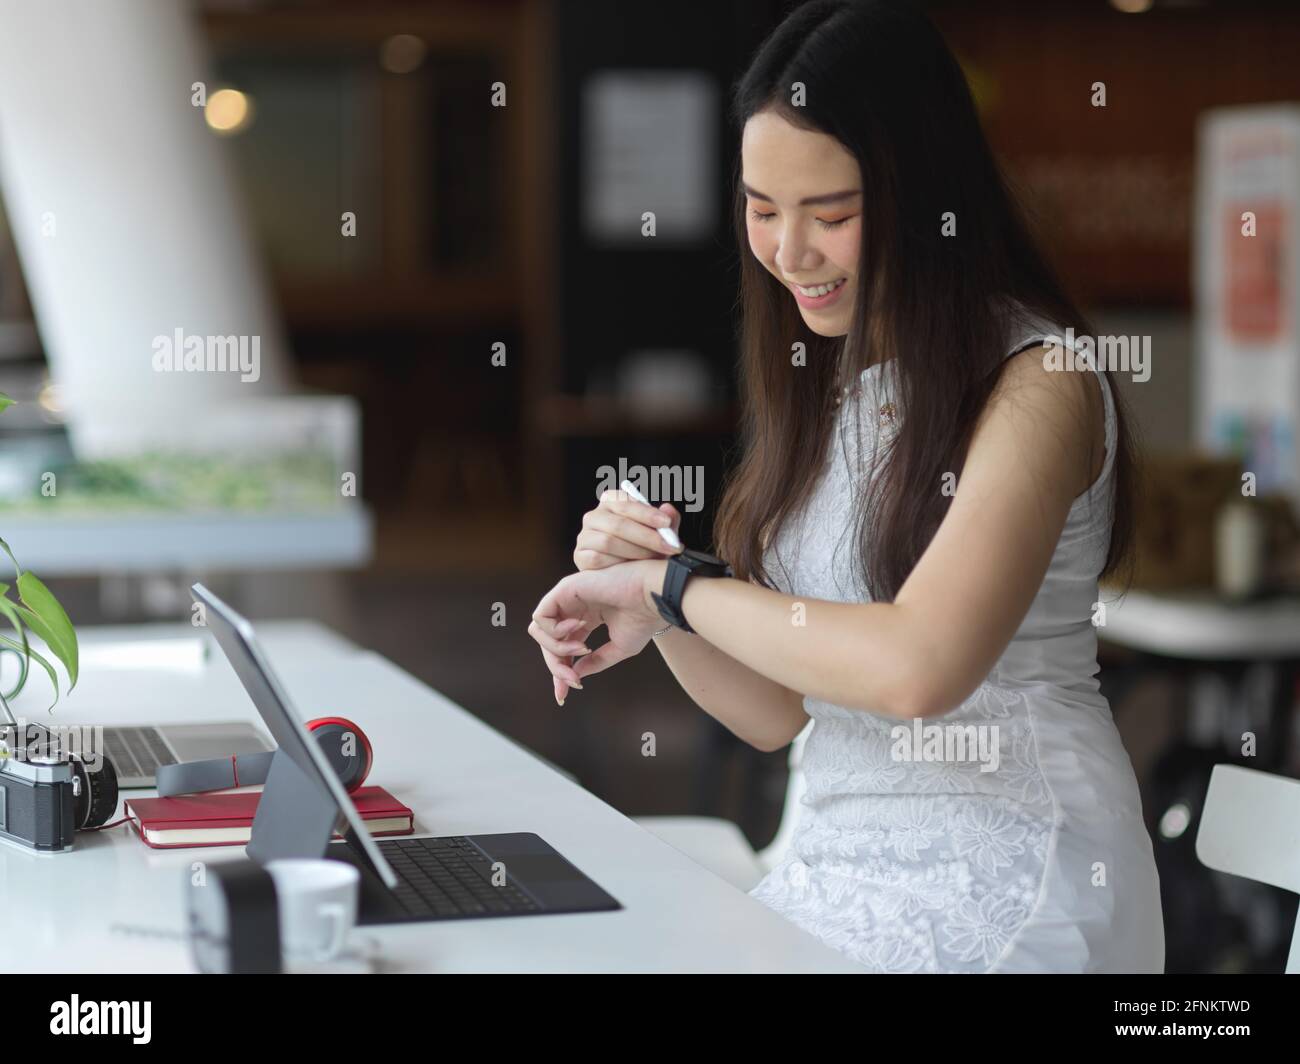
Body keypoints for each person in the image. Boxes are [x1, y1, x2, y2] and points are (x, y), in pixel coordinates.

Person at [528, 0, 1163, 973]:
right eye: (760, 207)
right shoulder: (831, 377)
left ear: (926, 193)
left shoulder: (1042, 382)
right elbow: (785, 712)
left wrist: (678, 587)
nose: (789, 252)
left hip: (1018, 874)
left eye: (831, 212)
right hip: (832, 867)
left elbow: (917, 667)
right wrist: (655, 603)